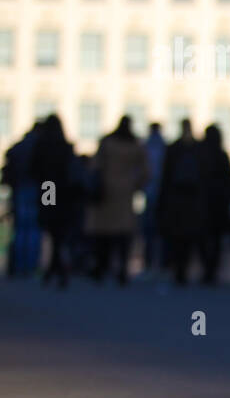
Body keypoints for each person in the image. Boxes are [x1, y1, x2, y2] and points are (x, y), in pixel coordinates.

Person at [85, 116, 150, 285]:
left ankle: (101, 268)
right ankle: (121, 270)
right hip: (125, 193)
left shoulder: (108, 142)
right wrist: (136, 185)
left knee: (103, 235)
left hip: (106, 192)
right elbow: (146, 171)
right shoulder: (135, 145)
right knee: (122, 236)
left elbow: (95, 165)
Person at [157, 119, 208, 285]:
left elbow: (165, 177)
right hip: (193, 201)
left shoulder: (173, 148)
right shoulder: (198, 149)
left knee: (177, 238)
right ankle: (185, 269)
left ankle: (179, 270)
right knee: (189, 237)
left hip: (176, 201)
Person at [30, 115, 78, 287]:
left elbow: (34, 169)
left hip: (48, 188)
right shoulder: (65, 146)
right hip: (63, 192)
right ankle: (55, 268)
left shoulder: (43, 146)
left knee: (51, 229)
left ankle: (53, 269)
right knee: (58, 232)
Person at [2, 121, 43, 277]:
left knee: (20, 229)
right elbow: (47, 179)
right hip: (36, 192)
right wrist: (50, 200)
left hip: (19, 190)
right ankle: (30, 265)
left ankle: (18, 264)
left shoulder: (19, 147)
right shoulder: (41, 148)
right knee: (33, 230)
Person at [197, 123, 230, 285]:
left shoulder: (199, 154)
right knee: (216, 239)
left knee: (202, 237)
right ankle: (212, 270)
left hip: (202, 202)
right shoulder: (222, 155)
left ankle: (207, 268)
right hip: (219, 203)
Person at [141, 122, 167, 276]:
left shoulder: (146, 147)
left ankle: (149, 260)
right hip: (159, 194)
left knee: (149, 230)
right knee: (159, 230)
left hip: (150, 193)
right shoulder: (164, 147)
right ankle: (161, 262)